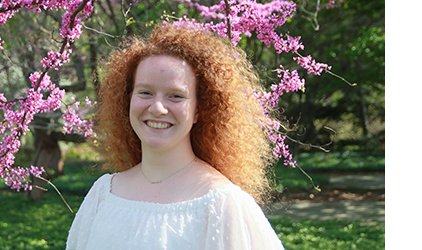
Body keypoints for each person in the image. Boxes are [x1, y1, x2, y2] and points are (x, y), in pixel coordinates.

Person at [66, 23, 284, 249]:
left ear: (198, 110)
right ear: (127, 99)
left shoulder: (222, 204)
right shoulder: (103, 194)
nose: (158, 108)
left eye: (176, 96)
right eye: (146, 92)